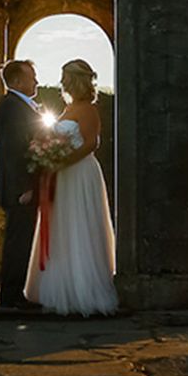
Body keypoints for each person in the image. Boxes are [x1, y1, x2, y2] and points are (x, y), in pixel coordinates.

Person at [25, 58, 118, 316]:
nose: (62, 81)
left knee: (79, 226)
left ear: (75, 80)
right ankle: (59, 283)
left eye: (66, 77)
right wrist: (48, 155)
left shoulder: (87, 109)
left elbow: (91, 144)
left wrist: (64, 160)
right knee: (62, 227)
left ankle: (82, 288)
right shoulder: (69, 108)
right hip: (62, 175)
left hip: (79, 173)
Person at [0, 59, 43, 310]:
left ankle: (15, 295)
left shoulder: (18, 106)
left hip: (21, 186)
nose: (36, 80)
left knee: (21, 240)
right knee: (17, 241)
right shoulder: (12, 108)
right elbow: (13, 151)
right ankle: (11, 297)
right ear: (15, 81)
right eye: (31, 76)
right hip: (19, 189)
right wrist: (24, 186)